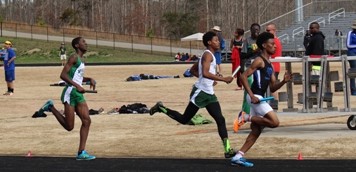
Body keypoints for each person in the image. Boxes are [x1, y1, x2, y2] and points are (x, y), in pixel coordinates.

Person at [149, 31, 236, 158]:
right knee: (185, 119)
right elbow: (205, 73)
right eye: (216, 40)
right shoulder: (208, 56)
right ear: (209, 42)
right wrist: (222, 79)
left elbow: (193, 70)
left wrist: (211, 80)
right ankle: (161, 108)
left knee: (220, 119)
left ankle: (228, 149)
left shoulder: (208, 55)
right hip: (201, 93)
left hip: (209, 94)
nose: (219, 42)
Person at [231, 32, 292, 167]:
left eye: (275, 45)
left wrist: (283, 81)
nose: (275, 47)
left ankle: (238, 156)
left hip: (259, 98)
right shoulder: (259, 60)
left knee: (256, 131)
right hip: (255, 97)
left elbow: (273, 87)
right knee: (274, 122)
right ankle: (245, 117)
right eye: (272, 44)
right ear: (264, 45)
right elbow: (243, 77)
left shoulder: (269, 65)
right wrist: (252, 95)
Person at [38, 37, 97, 160]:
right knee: (69, 127)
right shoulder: (73, 57)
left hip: (78, 94)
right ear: (76, 45)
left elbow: (77, 77)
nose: (86, 44)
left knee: (87, 121)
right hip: (70, 92)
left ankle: (81, 152)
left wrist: (88, 79)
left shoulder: (81, 59)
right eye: (83, 42)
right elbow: (63, 75)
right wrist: (77, 86)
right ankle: (51, 107)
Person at [266, 23, 283, 109]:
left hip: (273, 66)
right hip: (274, 66)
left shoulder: (274, 41)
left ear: (274, 30)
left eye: (269, 30)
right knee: (272, 86)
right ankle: (273, 104)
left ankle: (274, 104)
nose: (267, 32)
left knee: (273, 87)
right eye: (266, 30)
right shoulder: (274, 40)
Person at [346, 20, 356, 95]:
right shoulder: (350, 33)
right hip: (352, 52)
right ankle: (353, 90)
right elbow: (348, 45)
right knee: (353, 71)